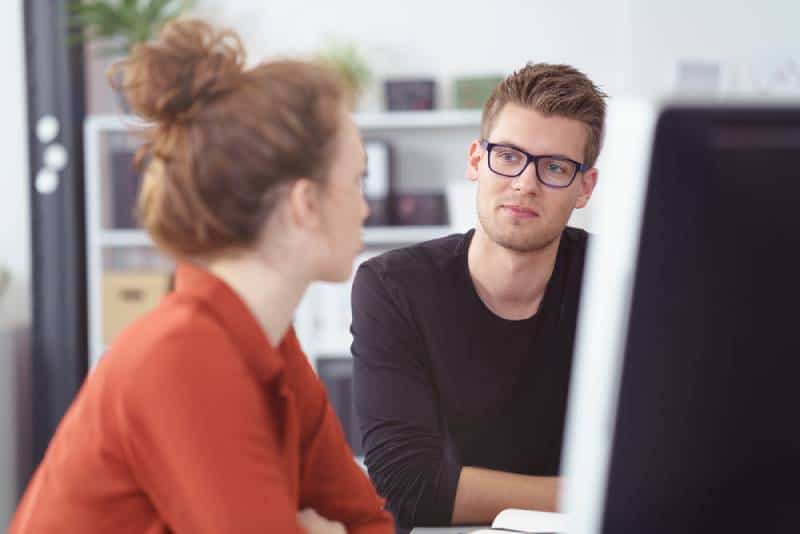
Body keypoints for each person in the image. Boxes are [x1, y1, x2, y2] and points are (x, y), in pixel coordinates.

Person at [11, 19, 393, 534]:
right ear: (306, 203)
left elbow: (368, 521)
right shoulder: (182, 355)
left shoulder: (268, 343)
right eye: (356, 180)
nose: (367, 207)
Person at [351, 63, 607, 530]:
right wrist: (593, 494)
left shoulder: (617, 281)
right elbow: (403, 487)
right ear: (476, 160)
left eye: (554, 167)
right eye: (509, 156)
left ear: (584, 187)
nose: (525, 183)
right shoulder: (392, 286)